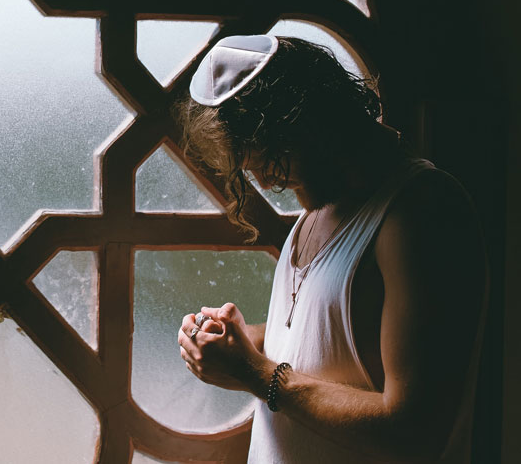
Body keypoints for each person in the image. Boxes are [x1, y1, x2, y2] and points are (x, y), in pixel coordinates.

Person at [174, 35, 487, 463]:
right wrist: (242, 341)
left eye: (273, 159)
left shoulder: (423, 211)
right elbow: (332, 340)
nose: (266, 181)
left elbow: (415, 432)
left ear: (313, 123)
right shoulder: (322, 207)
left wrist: (253, 372)